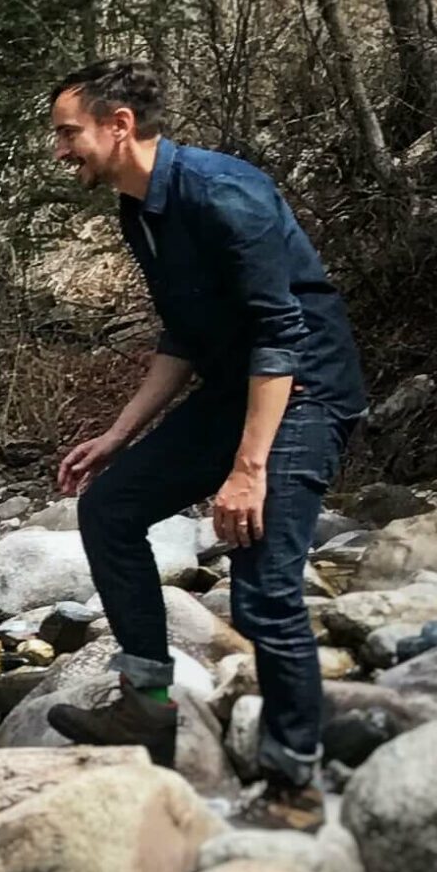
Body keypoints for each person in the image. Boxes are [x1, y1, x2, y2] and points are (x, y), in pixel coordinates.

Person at [46, 60, 366, 828]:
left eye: (68, 133)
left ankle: (294, 789)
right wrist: (120, 435)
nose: (60, 152)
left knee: (262, 589)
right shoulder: (138, 208)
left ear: (118, 125)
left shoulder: (224, 193)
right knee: (111, 507)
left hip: (305, 391)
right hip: (234, 389)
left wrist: (250, 468)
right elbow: (186, 335)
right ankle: (148, 703)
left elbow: (281, 334)